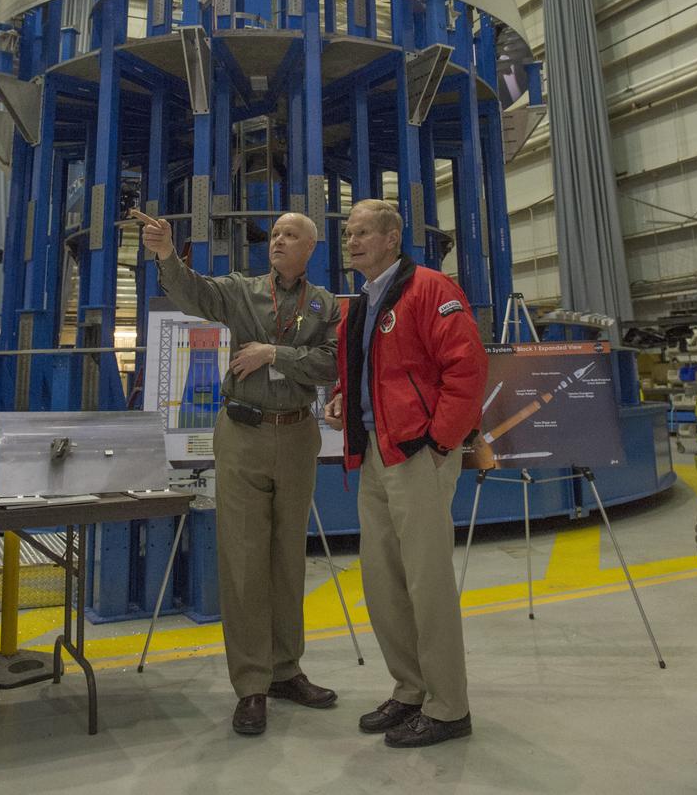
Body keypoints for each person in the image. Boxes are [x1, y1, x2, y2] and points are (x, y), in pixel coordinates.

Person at [135, 209, 340, 737]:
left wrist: (275, 353)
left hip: (297, 435)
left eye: (289, 235)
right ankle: (251, 685)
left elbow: (331, 363)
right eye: (273, 234)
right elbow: (194, 293)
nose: (277, 241)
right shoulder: (241, 291)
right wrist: (164, 254)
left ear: (310, 249)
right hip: (243, 434)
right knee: (244, 561)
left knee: (287, 559)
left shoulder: (325, 304)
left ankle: (286, 669)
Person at [324, 198, 488, 749]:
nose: (351, 242)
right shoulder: (362, 303)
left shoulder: (431, 289)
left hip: (418, 454)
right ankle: (410, 689)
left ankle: (449, 706)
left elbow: (466, 369)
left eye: (363, 232)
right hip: (374, 453)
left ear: (393, 238)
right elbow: (378, 373)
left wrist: (440, 442)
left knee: (426, 581)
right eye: (348, 234)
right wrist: (346, 397)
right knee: (382, 579)